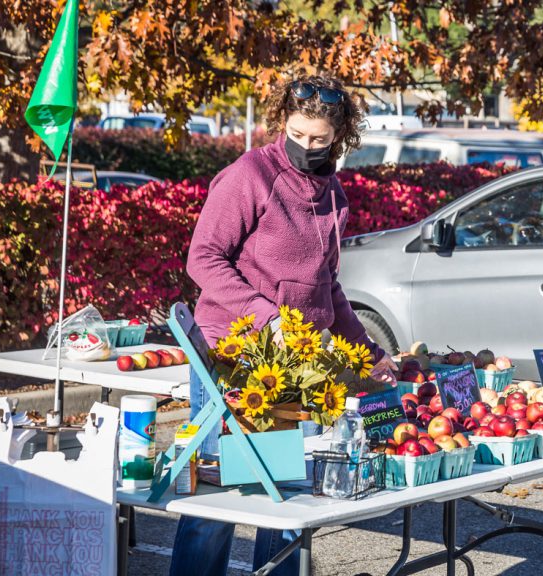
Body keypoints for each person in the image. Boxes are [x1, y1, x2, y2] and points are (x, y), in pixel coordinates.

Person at [170, 74, 398, 576]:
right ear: (282, 123)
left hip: (302, 365)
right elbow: (202, 259)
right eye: (297, 134)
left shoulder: (334, 194)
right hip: (231, 356)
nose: (306, 146)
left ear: (340, 136)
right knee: (222, 498)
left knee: (291, 498)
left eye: (319, 139)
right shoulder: (249, 175)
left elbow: (328, 288)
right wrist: (265, 316)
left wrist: (368, 352)